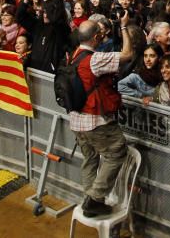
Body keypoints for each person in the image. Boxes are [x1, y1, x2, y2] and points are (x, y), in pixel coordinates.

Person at [68, 17, 133, 218]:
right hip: (94, 120)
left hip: (77, 120)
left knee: (90, 157)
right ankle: (95, 199)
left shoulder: (74, 56)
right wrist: (123, 26)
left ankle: (90, 199)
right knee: (117, 151)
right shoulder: (94, 60)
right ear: (96, 37)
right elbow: (128, 54)